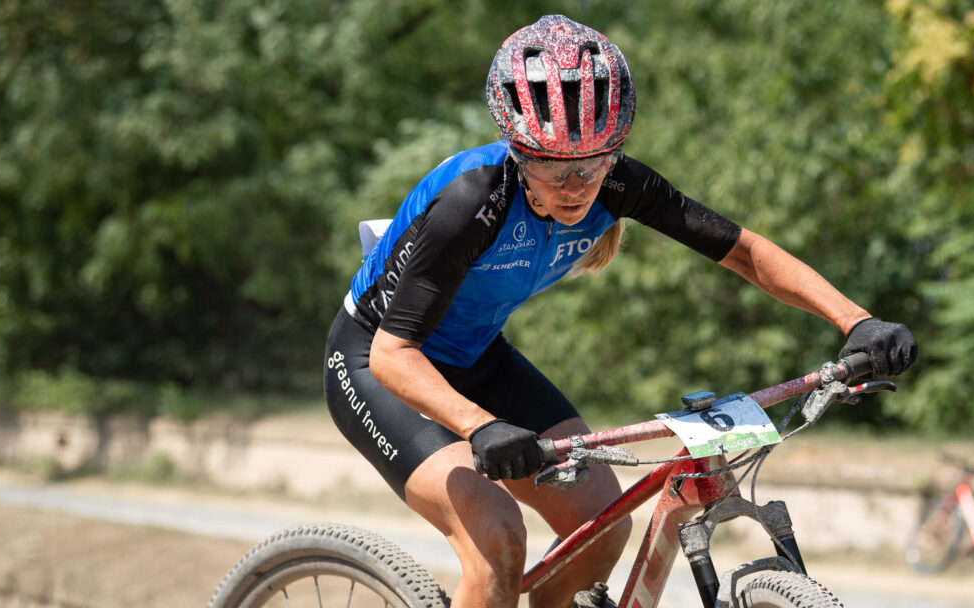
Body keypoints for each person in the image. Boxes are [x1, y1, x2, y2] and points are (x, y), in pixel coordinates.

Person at [324, 14, 917, 608]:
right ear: (518, 152)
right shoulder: (471, 201)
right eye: (554, 166)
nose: (577, 185)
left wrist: (855, 319)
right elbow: (392, 354)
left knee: (600, 527)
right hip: (378, 364)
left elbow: (743, 251)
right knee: (498, 540)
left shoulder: (620, 185)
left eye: (596, 162)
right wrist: (479, 426)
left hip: (478, 357)